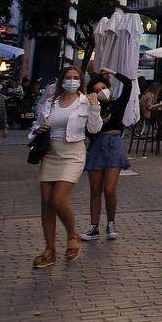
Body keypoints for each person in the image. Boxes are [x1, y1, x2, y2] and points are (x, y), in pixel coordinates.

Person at [32, 66, 102, 269]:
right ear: (61, 80)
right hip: (51, 152)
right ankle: (49, 249)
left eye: (75, 78)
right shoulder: (50, 102)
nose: (71, 81)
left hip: (73, 153)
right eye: (68, 77)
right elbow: (37, 125)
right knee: (46, 202)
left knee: (58, 199)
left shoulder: (85, 102)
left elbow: (94, 128)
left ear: (81, 81)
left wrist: (95, 107)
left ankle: (73, 235)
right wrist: (39, 129)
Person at [81, 69, 132, 240]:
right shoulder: (92, 108)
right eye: (96, 90)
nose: (100, 91)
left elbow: (128, 83)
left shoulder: (118, 103)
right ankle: (94, 226)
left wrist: (111, 71)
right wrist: (95, 109)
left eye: (103, 87)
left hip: (114, 143)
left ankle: (111, 222)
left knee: (109, 189)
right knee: (95, 189)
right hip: (97, 145)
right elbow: (89, 131)